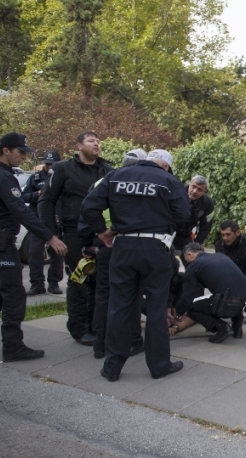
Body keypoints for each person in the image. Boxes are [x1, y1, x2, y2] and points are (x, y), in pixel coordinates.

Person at [81, 148, 189, 382]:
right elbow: (182, 215)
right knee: (156, 308)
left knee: (119, 306)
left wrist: (102, 232)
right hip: (156, 248)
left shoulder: (116, 176)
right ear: (165, 166)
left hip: (123, 247)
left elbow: (89, 207)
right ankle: (159, 365)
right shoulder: (169, 181)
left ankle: (112, 367)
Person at [0, 133, 67, 361]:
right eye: (20, 152)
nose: (23, 157)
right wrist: (49, 237)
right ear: (6, 150)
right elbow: (21, 209)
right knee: (15, 294)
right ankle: (13, 346)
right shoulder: (2, 176)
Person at [38, 132, 112, 346]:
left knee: (99, 283)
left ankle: (97, 326)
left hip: (100, 235)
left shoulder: (107, 170)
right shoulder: (62, 169)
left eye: (98, 141)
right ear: (79, 145)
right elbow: (46, 201)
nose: (96, 144)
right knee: (79, 280)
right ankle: (79, 329)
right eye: (91, 141)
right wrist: (50, 236)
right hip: (73, 233)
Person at [79, 149, 146, 359]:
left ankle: (100, 345)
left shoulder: (104, 181)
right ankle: (134, 340)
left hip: (104, 245)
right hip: (127, 244)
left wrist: (97, 236)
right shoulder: (141, 184)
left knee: (104, 295)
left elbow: (87, 210)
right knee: (132, 294)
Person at [177, 243, 246, 342]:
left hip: (229, 305)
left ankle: (222, 328)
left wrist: (179, 311)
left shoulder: (193, 265)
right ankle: (237, 329)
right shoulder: (221, 256)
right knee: (232, 292)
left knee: (191, 308)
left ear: (190, 255)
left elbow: (187, 296)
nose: (186, 261)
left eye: (185, 258)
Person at [22, 150, 64, 295]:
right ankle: (37, 284)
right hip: (38, 221)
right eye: (47, 164)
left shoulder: (63, 177)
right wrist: (38, 195)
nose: (49, 167)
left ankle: (54, 283)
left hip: (56, 220)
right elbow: (24, 196)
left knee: (57, 254)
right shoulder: (35, 177)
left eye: (52, 164)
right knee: (35, 253)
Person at [173, 175, 215, 250]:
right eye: (193, 187)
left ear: (205, 192)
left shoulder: (208, 203)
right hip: (169, 232)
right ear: (189, 184)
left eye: (200, 190)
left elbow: (206, 226)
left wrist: (197, 243)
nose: (195, 191)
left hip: (186, 235)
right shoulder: (176, 193)